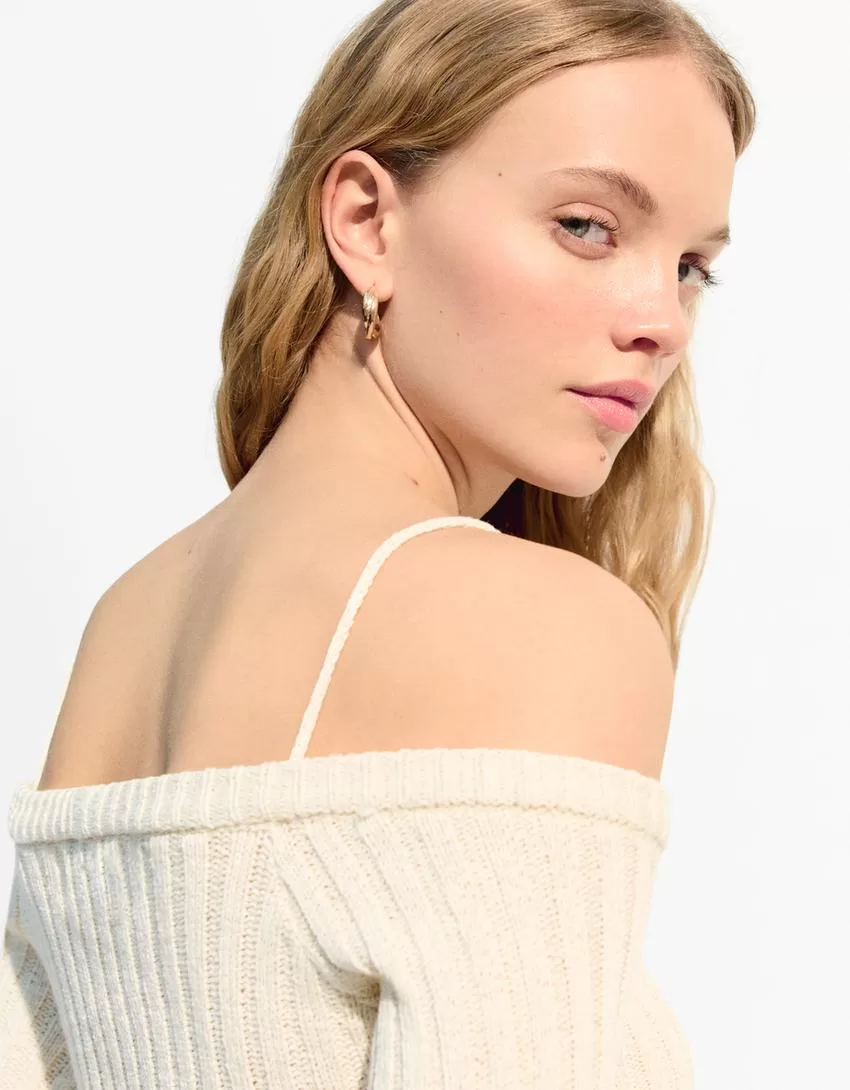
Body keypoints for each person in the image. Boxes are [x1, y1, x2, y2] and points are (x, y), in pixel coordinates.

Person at [0, 0, 756, 1085]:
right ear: (365, 221)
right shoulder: (544, 627)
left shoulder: (125, 625)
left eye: (690, 265)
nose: (663, 321)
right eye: (587, 227)